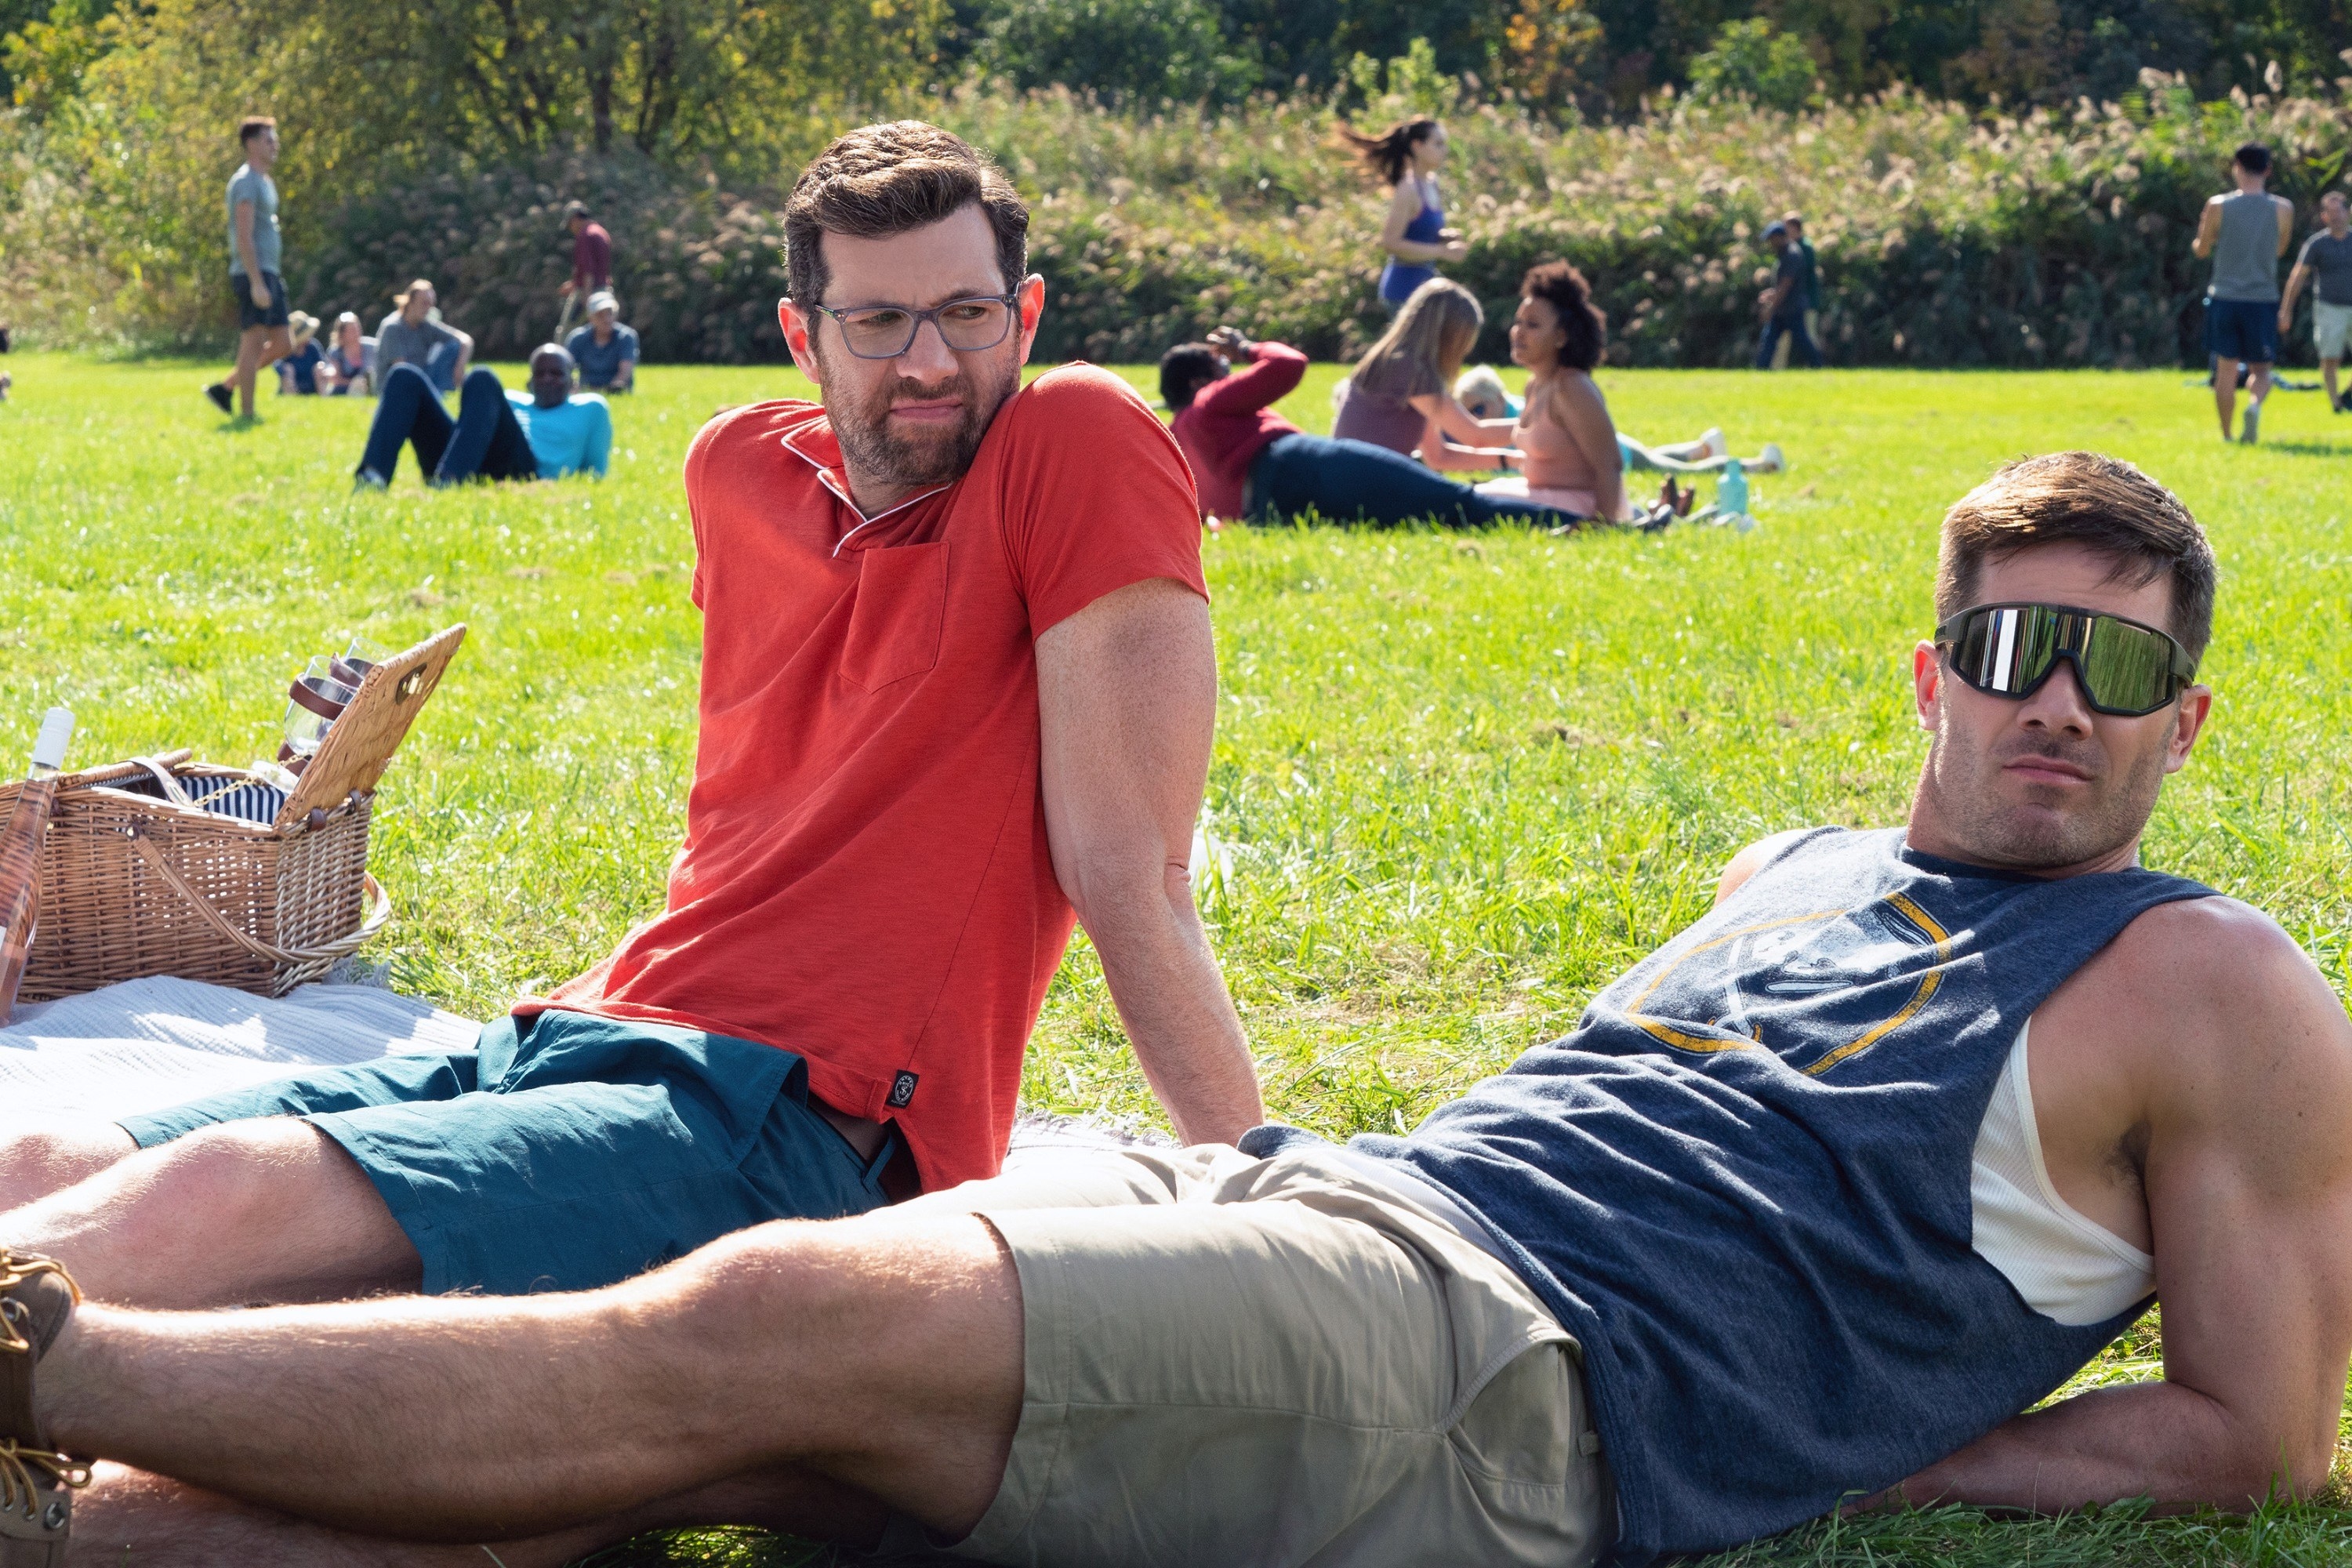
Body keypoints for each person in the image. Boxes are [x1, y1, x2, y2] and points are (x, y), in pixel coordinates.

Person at [5, 452, 2346, 1568]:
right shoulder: (1797, 873)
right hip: (1351, 1208)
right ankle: (83, 1516)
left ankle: (43, 1353)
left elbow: (2256, 1434)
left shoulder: (2204, 978)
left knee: (758, 1317)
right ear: (1934, 672)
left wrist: (1849, 1455)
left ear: (2183, 721)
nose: (2060, 706)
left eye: (2119, 666)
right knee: (704, 1448)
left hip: (1504, 1364)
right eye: (2018, 649)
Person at [0, 118, 1258, 1392]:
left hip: (806, 1124)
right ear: (801, 334)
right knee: (43, 1168)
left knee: (223, 1197)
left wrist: (1275, 1210)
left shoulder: (1077, 444)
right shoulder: (735, 472)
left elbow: (1133, 872)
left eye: (969, 314)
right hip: (581, 1028)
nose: (931, 362)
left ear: (1027, 315)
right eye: (878, 322)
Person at [1163, 329, 1598, 529]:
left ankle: (1565, 522)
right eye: (1222, 368)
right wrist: (1247, 347)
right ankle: (1588, 524)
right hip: (1299, 466)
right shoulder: (1209, 405)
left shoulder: (1173, 440)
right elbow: (1288, 364)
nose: (1230, 372)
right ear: (1199, 383)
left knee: (1424, 516)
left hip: (1271, 512)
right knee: (1454, 501)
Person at [1476, 261, 1703, 523]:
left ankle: (1649, 518)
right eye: (1519, 322)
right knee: (1472, 494)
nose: (1519, 332)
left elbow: (1610, 465)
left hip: (1573, 508)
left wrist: (1604, 526)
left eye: (1533, 325)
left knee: (1468, 503)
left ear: (1561, 337)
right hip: (1540, 495)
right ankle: (1655, 515)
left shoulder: (1572, 387)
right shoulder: (1535, 385)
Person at [1331, 278, 1521, 472]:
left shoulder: (1391, 360)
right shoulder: (1412, 371)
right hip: (1367, 483)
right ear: (1449, 337)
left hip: (1348, 479)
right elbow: (1476, 436)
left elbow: (1438, 457)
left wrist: (1514, 460)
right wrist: (1545, 427)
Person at [1454, 367, 1786, 477]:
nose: (1474, 420)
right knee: (1654, 458)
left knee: (1679, 473)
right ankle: (1704, 447)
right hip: (1610, 447)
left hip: (1610, 457)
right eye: (1468, 413)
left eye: (1478, 410)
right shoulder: (1515, 407)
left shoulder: (1521, 416)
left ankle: (1760, 465)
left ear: (1496, 398)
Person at [354, 347, 610, 488]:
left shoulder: (590, 409)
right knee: (404, 376)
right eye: (540, 374)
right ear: (529, 382)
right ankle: (373, 477)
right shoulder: (510, 400)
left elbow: (594, 474)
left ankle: (450, 482)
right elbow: (470, 429)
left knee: (483, 377)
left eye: (556, 374)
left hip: (524, 471)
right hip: (468, 458)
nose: (547, 380)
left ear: (573, 383)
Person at [2193, 143, 2293, 444]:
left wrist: (2203, 231)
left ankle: (2226, 434)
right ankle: (2253, 406)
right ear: (2268, 171)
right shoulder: (2283, 208)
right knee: (2262, 371)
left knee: (2225, 371)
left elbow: (2202, 250)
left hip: (2224, 297)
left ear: (2236, 167)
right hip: (2262, 299)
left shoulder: (2218, 205)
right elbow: (2280, 249)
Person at [202, 117, 291, 419]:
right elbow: (243, 235)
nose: (275, 144)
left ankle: (226, 387)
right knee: (253, 342)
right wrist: (256, 281)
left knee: (283, 343)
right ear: (251, 144)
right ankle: (247, 412)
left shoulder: (265, 181)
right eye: (268, 139)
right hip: (253, 273)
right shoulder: (245, 182)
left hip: (270, 272)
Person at [1338, 117, 1468, 310]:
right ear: (1417, 146)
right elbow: (1391, 243)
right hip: (1402, 291)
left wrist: (1444, 237)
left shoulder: (1432, 182)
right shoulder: (1408, 189)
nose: (1445, 150)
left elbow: (1419, 233)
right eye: (1438, 143)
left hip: (1424, 290)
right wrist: (1442, 252)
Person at [2279, 188, 2352, 413]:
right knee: (2330, 357)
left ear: (2348, 213)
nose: (2336, 217)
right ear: (2324, 217)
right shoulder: (2317, 244)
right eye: (2330, 213)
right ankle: (2336, 404)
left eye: (2339, 211)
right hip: (2329, 308)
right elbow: (2298, 276)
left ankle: (2348, 395)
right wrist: (2286, 310)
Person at [373, 280, 473, 394]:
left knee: (454, 347)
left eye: (431, 304)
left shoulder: (426, 325)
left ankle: (438, 393)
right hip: (397, 386)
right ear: (410, 302)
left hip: (422, 378)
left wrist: (459, 369)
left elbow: (466, 341)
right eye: (424, 303)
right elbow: (401, 370)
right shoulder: (392, 327)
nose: (428, 308)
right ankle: (435, 394)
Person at [1754, 220, 1822, 370]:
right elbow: (1783, 286)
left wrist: (1770, 308)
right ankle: (1760, 370)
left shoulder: (1792, 254)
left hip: (1792, 308)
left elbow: (1786, 286)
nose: (1770, 243)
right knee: (1769, 340)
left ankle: (1818, 367)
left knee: (1802, 341)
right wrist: (1772, 294)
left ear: (1779, 237)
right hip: (1783, 308)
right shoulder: (1785, 253)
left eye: (1772, 239)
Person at [564, 290, 638, 392]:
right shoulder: (577, 338)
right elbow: (565, 369)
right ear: (590, 317)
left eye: (610, 313)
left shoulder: (626, 337)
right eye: (600, 315)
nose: (607, 319)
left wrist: (610, 390)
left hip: (615, 391)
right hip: (585, 391)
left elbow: (625, 372)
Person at [560, 200, 615, 332]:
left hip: (587, 293)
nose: (571, 229)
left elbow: (588, 271)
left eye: (569, 224)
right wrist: (574, 283)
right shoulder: (601, 232)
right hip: (604, 291)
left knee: (567, 333)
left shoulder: (585, 235)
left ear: (575, 219)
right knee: (598, 333)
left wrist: (587, 300)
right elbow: (600, 268)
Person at [321, 311, 373, 397]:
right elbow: (336, 380)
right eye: (352, 330)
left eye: (357, 328)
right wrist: (355, 384)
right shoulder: (335, 352)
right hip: (344, 390)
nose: (357, 332)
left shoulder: (372, 347)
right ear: (342, 334)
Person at [274, 312, 325, 395]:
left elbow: (323, 363)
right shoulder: (287, 350)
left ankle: (323, 397)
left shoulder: (312, 347)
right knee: (288, 369)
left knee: (319, 368)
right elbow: (277, 364)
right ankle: (292, 396)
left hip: (312, 385)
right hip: (293, 384)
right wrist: (285, 369)